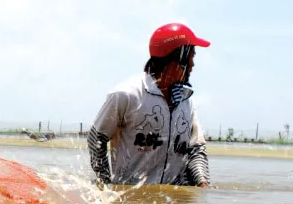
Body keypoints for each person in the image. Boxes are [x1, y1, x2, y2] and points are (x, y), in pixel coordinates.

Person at [87, 23, 211, 187]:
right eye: (191, 57)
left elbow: (196, 149)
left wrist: (203, 184)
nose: (193, 65)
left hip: (175, 199)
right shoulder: (127, 94)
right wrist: (106, 184)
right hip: (132, 198)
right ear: (178, 59)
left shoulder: (186, 100)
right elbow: (96, 139)